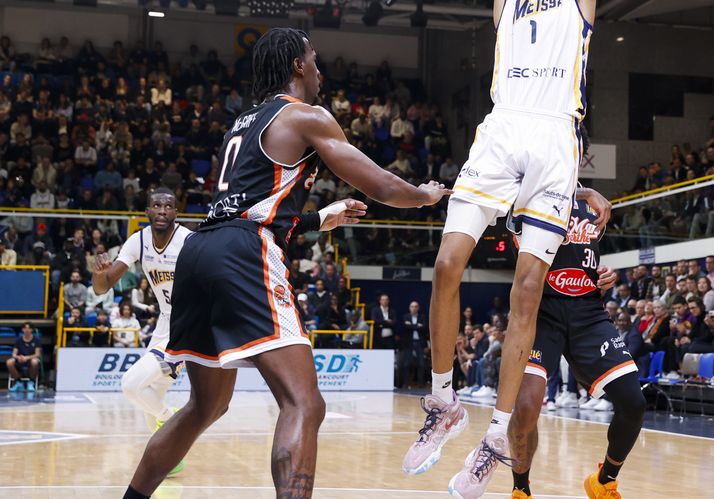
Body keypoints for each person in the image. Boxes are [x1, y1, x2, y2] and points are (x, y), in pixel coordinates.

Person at [120, 28, 448, 499]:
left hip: (199, 249)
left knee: (204, 407)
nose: (320, 69)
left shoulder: (241, 123)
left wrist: (318, 218)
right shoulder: (305, 116)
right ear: (298, 65)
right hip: (244, 253)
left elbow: (252, 203)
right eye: (314, 60)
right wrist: (424, 195)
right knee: (304, 403)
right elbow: (380, 185)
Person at [404, 0, 607, 496]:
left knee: (526, 289)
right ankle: (443, 400)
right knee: (445, 265)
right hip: (500, 130)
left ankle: (495, 434)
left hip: (554, 140)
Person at [509, 187, 645, 499]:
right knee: (528, 406)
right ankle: (521, 489)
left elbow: (589, 260)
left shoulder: (596, 208)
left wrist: (605, 273)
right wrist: (587, 192)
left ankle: (604, 481)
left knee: (633, 404)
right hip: (540, 311)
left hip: (588, 311)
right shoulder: (528, 195)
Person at [90, 188, 192, 465]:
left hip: (187, 326)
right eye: (156, 205)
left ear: (175, 212)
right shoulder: (138, 241)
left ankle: (174, 420)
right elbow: (103, 287)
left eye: (168, 206)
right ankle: (172, 458)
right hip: (164, 323)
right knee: (152, 396)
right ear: (146, 211)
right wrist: (97, 274)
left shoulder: (188, 240)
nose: (162, 210)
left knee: (131, 385)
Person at [398, 301, 429, 389]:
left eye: (415, 306)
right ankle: (405, 384)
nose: (414, 308)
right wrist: (417, 326)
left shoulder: (422, 317)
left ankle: (421, 384)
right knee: (406, 364)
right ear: (409, 308)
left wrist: (412, 325)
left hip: (420, 342)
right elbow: (406, 327)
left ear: (418, 308)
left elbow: (424, 328)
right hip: (409, 342)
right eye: (412, 306)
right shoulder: (405, 316)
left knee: (421, 364)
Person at [5, 323, 40, 390]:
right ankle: (18, 382)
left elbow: (37, 354)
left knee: (35, 362)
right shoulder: (18, 340)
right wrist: (19, 357)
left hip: (30, 359)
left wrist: (27, 358)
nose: (26, 330)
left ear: (31, 330)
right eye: (25, 328)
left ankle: (31, 382)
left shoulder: (36, 340)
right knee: (9, 362)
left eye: (28, 328)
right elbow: (14, 354)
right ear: (22, 330)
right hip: (20, 359)